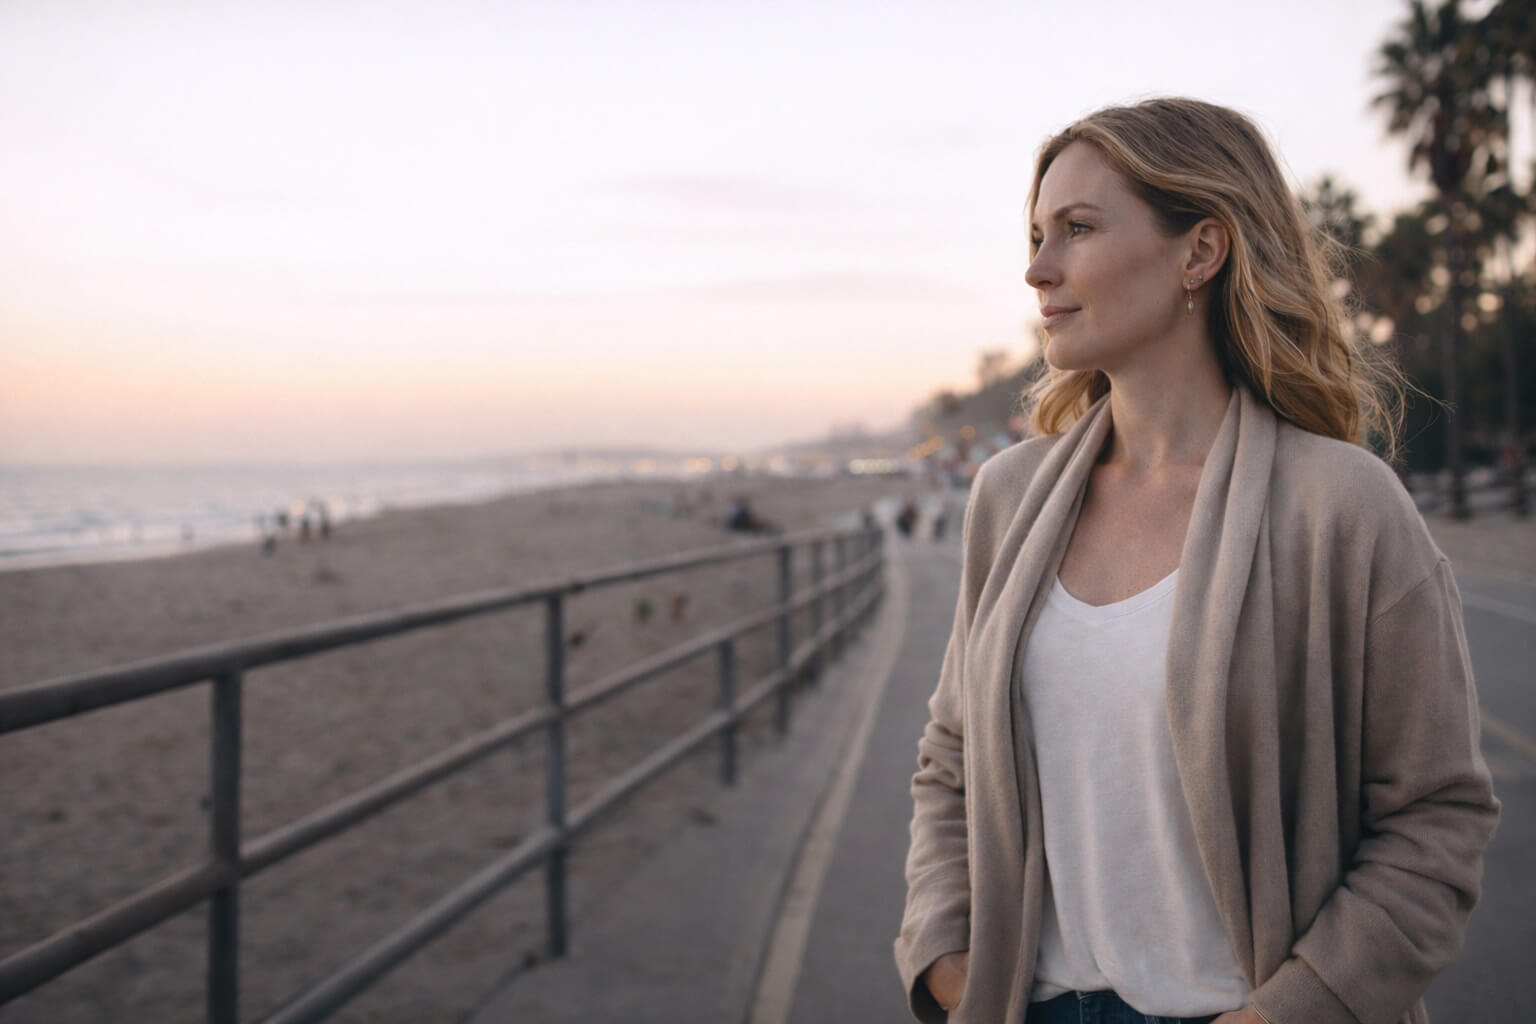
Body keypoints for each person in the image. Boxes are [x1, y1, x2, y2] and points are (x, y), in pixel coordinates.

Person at [894, 98, 1499, 1024]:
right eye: (1035, 233)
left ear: (1200, 251)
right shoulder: (1008, 499)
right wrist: (945, 952)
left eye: (1078, 229)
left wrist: (1290, 1012)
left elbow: (1435, 815)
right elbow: (952, 758)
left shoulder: (1341, 506)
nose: (1036, 269)